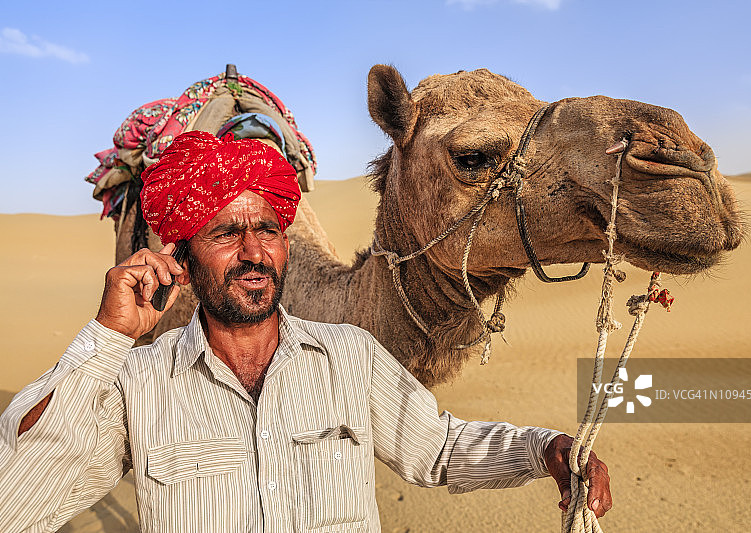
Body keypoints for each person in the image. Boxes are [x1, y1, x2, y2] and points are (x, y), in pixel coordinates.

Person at [0, 132, 611, 532]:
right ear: (181, 256)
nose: (253, 251)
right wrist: (107, 337)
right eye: (223, 233)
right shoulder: (140, 383)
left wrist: (544, 450)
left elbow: (439, 449)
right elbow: (17, 505)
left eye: (268, 230)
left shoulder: (350, 356)